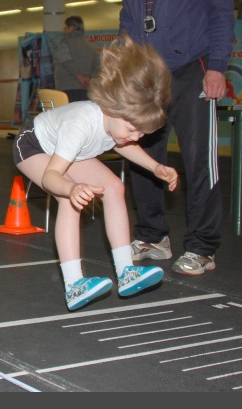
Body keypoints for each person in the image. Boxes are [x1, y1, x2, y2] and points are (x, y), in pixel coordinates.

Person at [14, 35, 177, 311]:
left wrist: (155, 166)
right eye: (132, 130)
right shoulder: (81, 124)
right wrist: (71, 188)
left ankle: (126, 272)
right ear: (112, 110)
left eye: (141, 133)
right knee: (69, 199)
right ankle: (74, 285)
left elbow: (124, 144)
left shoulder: (118, 125)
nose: (135, 137)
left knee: (114, 187)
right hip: (33, 146)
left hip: (68, 150)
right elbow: (52, 176)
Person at [119, 0, 236, 276]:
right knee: (141, 155)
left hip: (192, 68)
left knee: (199, 159)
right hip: (148, 74)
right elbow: (128, 18)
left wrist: (217, 66)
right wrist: (126, 67)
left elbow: (221, 12)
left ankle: (202, 247)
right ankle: (153, 237)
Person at [53, 15, 100, 102]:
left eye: (66, 26)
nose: (64, 29)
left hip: (66, 88)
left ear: (72, 27)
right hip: (86, 89)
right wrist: (89, 80)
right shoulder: (90, 46)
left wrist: (80, 77)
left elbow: (66, 61)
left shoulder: (64, 42)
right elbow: (97, 67)